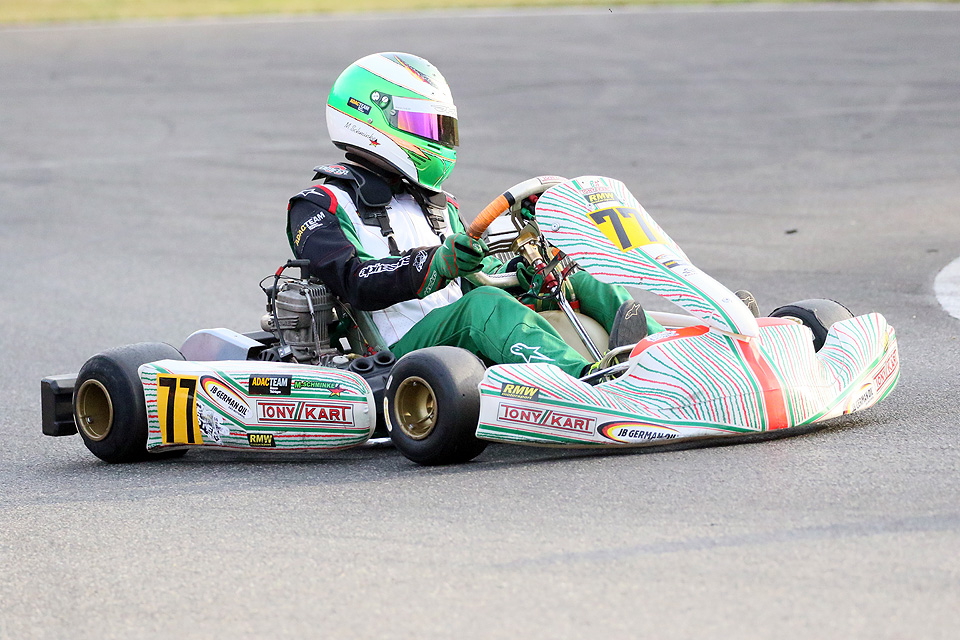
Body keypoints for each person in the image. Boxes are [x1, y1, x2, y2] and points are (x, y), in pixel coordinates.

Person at [286, 52, 661, 378]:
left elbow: (471, 279)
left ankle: (672, 360)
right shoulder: (319, 204)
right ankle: (588, 382)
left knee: (575, 277)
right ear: (367, 118)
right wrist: (436, 263)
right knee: (483, 308)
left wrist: (522, 274)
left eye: (439, 127)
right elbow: (354, 282)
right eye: (422, 126)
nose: (435, 138)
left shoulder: (433, 203)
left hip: (461, 331)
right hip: (395, 353)